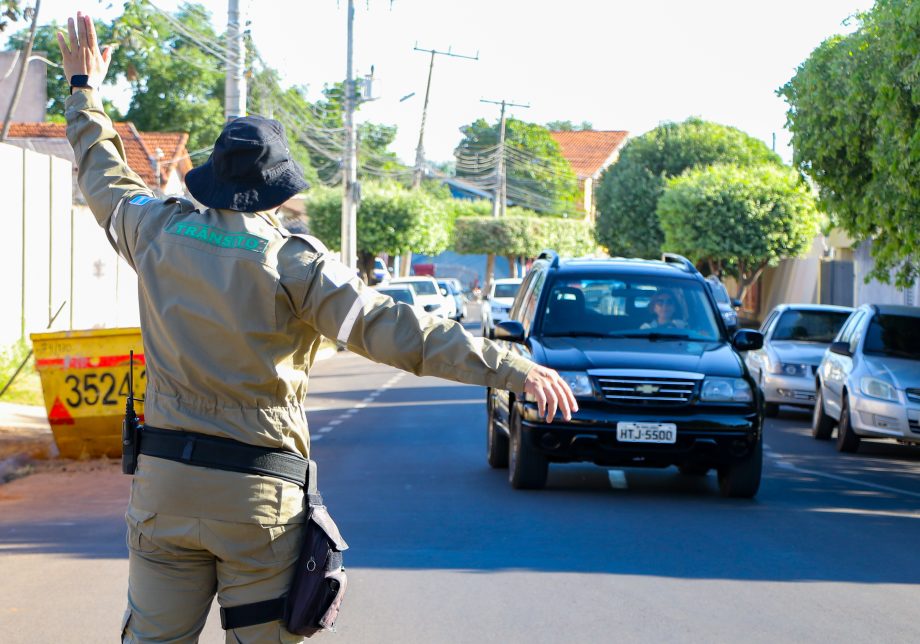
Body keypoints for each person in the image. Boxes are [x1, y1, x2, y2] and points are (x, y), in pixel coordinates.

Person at [57, 13, 576, 643]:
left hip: (165, 488)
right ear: (276, 192)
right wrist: (511, 367)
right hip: (257, 497)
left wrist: (84, 86)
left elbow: (102, 170)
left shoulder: (154, 229)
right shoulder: (294, 263)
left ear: (214, 180)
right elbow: (395, 328)